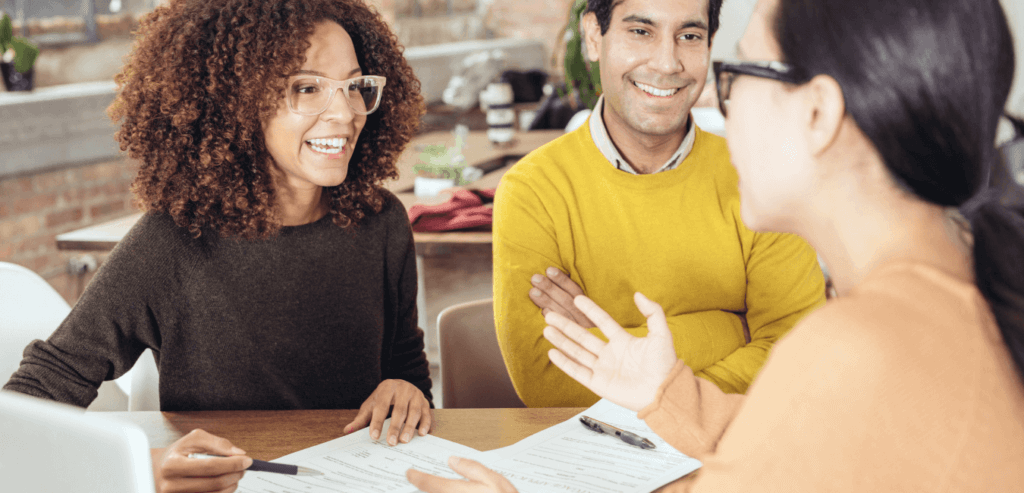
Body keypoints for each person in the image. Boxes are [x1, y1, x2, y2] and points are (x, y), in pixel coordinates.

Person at [408, 0, 1024, 490]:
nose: (701, 90)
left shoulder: (852, 350)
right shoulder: (945, 297)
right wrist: (666, 391)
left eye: (738, 71)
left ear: (818, 113)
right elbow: (788, 449)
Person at [3, 0, 432, 491]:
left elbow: (405, 366)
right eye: (306, 88)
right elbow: (32, 399)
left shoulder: (381, 221)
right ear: (236, 102)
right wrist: (145, 466)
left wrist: (406, 392)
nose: (345, 112)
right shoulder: (172, 241)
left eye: (355, 86)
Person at [493, 0, 826, 407]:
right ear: (594, 37)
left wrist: (615, 346)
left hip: (735, 452)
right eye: (641, 31)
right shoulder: (532, 191)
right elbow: (547, 384)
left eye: (689, 36)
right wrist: (731, 330)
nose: (667, 63)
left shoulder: (760, 175)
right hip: (596, 461)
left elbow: (795, 350)